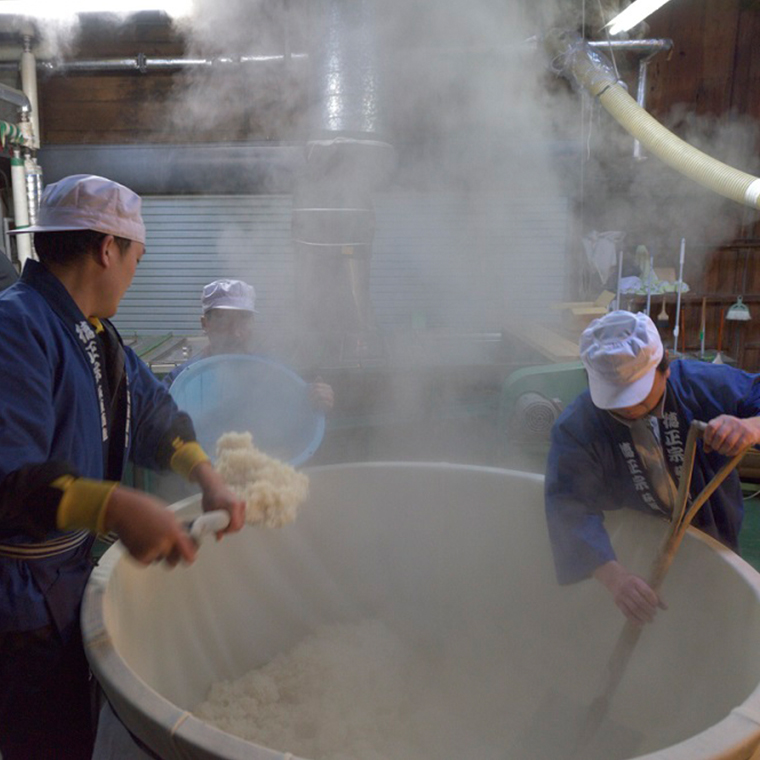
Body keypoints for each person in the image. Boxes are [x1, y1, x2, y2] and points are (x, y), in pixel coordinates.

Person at [0, 174, 245, 760]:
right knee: (40, 742)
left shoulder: (94, 334)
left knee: (69, 730)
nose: (137, 270)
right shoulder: (16, 326)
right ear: (107, 248)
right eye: (138, 254)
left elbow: (155, 413)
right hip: (17, 602)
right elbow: (8, 476)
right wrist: (114, 504)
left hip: (63, 581)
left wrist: (205, 474)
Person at [545, 310, 760, 627]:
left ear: (666, 368)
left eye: (641, 400)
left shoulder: (702, 384)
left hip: (715, 533)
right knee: (642, 629)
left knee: (717, 622)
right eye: (616, 404)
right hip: (632, 544)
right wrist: (614, 578)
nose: (630, 411)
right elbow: (568, 503)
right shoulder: (578, 426)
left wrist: (752, 426)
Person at [163, 278, 334, 412]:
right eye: (225, 321)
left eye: (244, 321)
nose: (236, 332)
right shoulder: (181, 380)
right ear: (205, 324)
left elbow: (295, 409)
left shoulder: (271, 372)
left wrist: (316, 398)